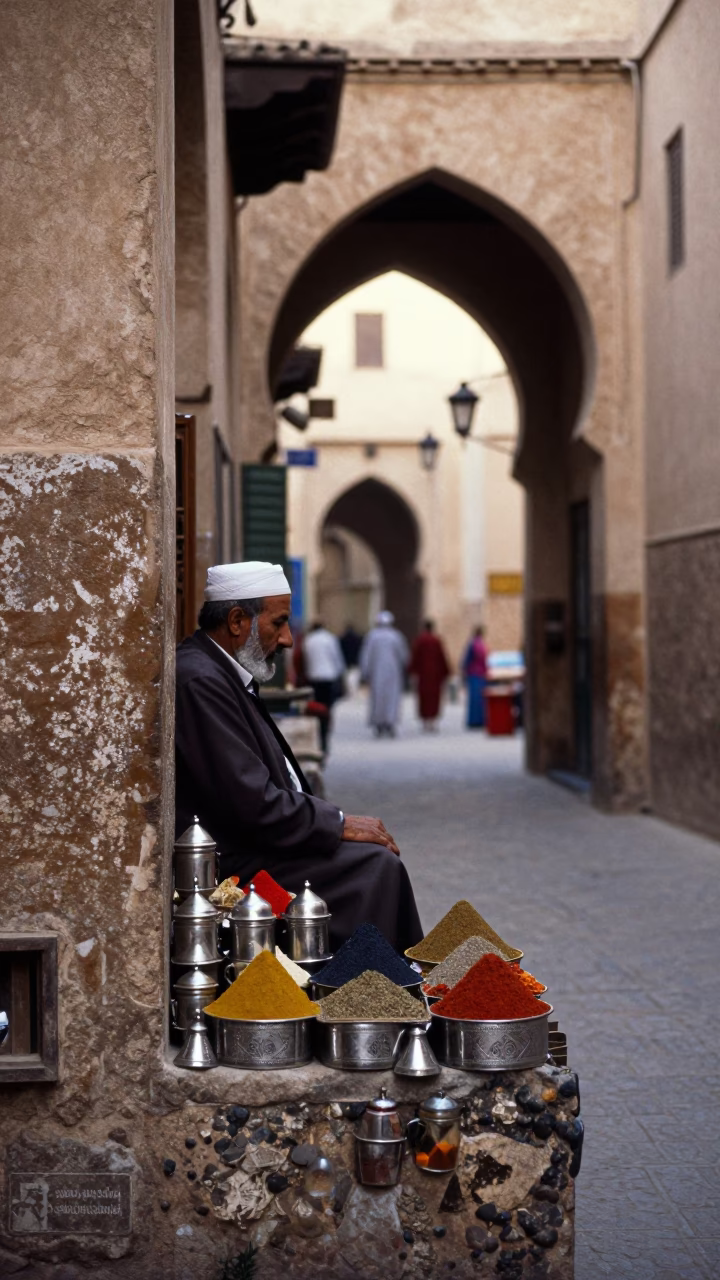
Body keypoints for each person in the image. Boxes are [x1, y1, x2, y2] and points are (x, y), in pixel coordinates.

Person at [175, 562, 422, 951]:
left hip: (258, 841)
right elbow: (252, 802)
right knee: (377, 868)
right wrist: (336, 822)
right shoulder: (202, 679)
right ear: (238, 620)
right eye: (280, 623)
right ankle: (366, 987)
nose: (288, 639)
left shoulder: (221, 671)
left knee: (372, 856)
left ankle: (384, 983)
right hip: (235, 864)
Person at [359, 610, 410, 738]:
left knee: (378, 698)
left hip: (376, 672)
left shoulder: (372, 636)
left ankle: (379, 724)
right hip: (393, 673)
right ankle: (390, 723)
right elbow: (404, 655)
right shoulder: (396, 636)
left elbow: (366, 656)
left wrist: (364, 672)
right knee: (392, 698)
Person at [302, 620, 346, 754]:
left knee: (316, 710)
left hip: (313, 679)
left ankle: (318, 736)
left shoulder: (308, 640)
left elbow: (306, 660)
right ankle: (325, 736)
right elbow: (337, 659)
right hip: (328, 678)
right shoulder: (329, 639)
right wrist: (341, 676)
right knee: (327, 709)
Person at [409, 619, 451, 731]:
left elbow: (415, 657)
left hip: (423, 675)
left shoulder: (420, 641)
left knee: (424, 698)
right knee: (434, 698)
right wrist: (446, 672)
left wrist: (412, 671)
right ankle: (432, 721)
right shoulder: (436, 641)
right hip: (435, 675)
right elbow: (442, 657)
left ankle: (425, 722)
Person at [462, 624, 489, 728]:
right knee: (479, 699)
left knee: (474, 699)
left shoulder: (473, 644)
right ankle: (480, 720)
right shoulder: (481, 644)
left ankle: (474, 720)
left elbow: (467, 660)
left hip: (474, 673)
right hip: (480, 673)